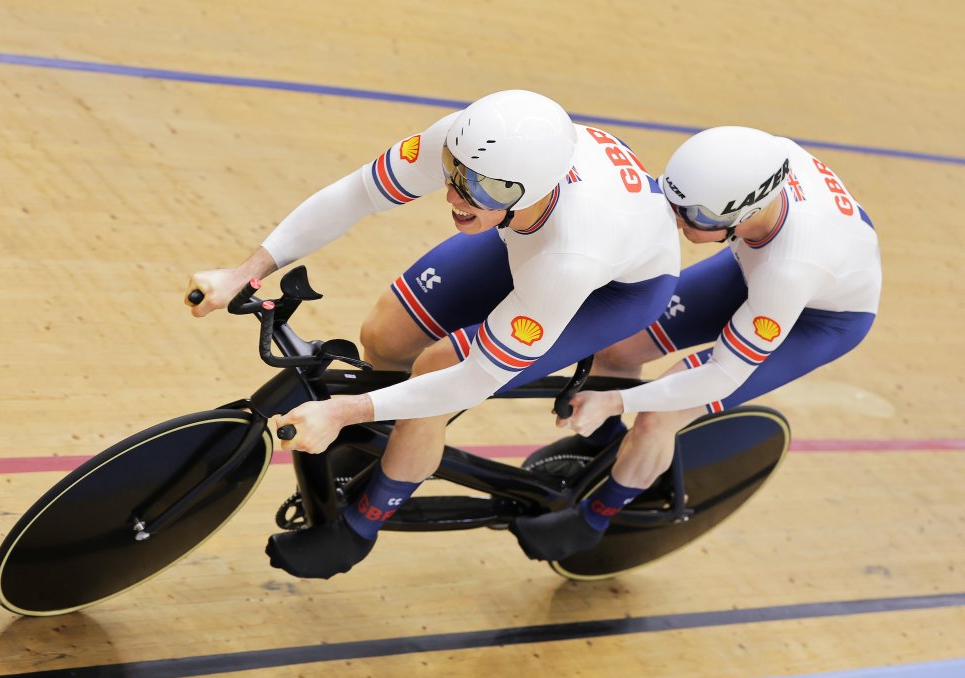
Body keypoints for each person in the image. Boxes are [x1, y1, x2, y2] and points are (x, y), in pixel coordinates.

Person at [186, 89, 680, 579]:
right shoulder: (475, 144)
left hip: (614, 287)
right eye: (454, 173)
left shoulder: (570, 257)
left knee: (437, 370)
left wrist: (343, 410)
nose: (453, 197)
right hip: (527, 234)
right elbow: (356, 194)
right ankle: (382, 445)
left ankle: (361, 525)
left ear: (529, 189)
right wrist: (245, 272)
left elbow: (473, 379)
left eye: (480, 189)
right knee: (385, 334)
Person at [512, 126, 882, 561]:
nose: (678, 221)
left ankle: (595, 517)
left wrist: (616, 402)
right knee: (619, 349)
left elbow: (720, 376)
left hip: (818, 319)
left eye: (696, 217)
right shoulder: (753, 161)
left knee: (657, 415)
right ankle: (605, 446)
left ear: (746, 212)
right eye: (675, 203)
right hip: (758, 265)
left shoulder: (789, 268)